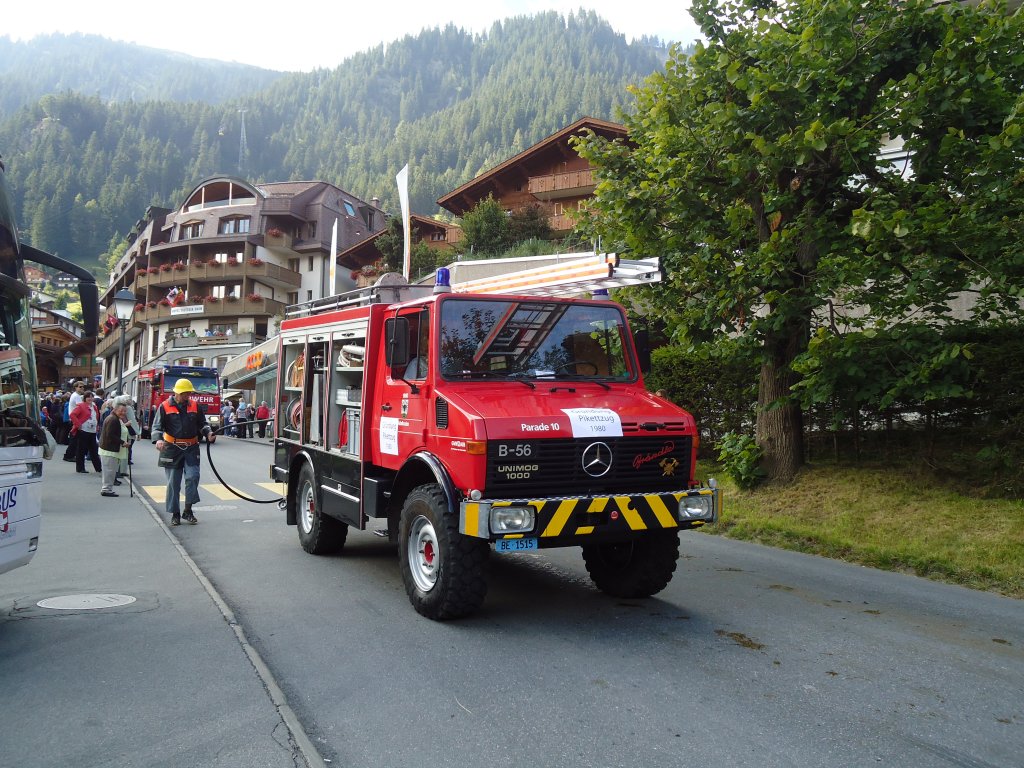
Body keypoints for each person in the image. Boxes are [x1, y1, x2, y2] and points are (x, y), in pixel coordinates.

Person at [152, 378, 215, 526]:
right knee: (173, 483)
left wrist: (209, 433)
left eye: (189, 393)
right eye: (185, 393)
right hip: (171, 448)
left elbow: (203, 424)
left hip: (191, 448)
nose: (188, 396)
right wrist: (158, 440)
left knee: (193, 477)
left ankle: (188, 510)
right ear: (177, 393)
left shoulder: (195, 406)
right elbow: (156, 427)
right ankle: (175, 514)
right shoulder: (165, 406)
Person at [98, 402, 129, 497]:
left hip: (110, 449)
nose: (123, 413)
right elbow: (110, 435)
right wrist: (122, 442)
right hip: (109, 450)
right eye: (121, 411)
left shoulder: (115, 418)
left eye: (125, 411)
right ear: (115, 409)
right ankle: (106, 489)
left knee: (110, 470)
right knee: (109, 471)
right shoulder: (113, 419)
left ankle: (107, 489)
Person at [69, 391, 102, 474]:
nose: (90, 398)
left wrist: (96, 425)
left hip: (92, 430)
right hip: (83, 430)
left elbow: (96, 417)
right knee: (81, 450)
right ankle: (80, 468)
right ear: (85, 398)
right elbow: (72, 415)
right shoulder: (81, 406)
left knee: (94, 450)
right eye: (88, 397)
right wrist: (78, 424)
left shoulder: (94, 407)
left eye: (91, 397)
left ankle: (98, 468)